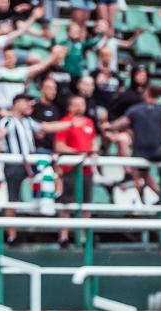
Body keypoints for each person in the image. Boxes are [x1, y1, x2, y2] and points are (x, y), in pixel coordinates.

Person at [104, 85, 161, 200]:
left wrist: (107, 126)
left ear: (146, 93)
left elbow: (118, 125)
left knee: (143, 172)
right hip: (157, 152)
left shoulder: (135, 110)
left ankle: (157, 194)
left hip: (139, 153)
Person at [0, 92, 68, 244]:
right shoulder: (7, 121)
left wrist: (70, 123)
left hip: (31, 163)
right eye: (26, 101)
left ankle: (48, 209)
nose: (30, 104)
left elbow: (45, 127)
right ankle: (12, 235)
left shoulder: (28, 121)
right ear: (16, 103)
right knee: (12, 199)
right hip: (14, 164)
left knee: (52, 177)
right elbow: (0, 136)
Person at [54, 94, 98, 247]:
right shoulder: (64, 123)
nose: (80, 107)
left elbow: (93, 143)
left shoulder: (89, 122)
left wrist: (93, 152)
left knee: (86, 204)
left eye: (82, 104)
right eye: (76, 104)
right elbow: (59, 146)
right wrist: (77, 152)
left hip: (86, 171)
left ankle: (85, 237)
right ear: (70, 107)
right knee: (65, 204)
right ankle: (63, 237)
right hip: (69, 169)